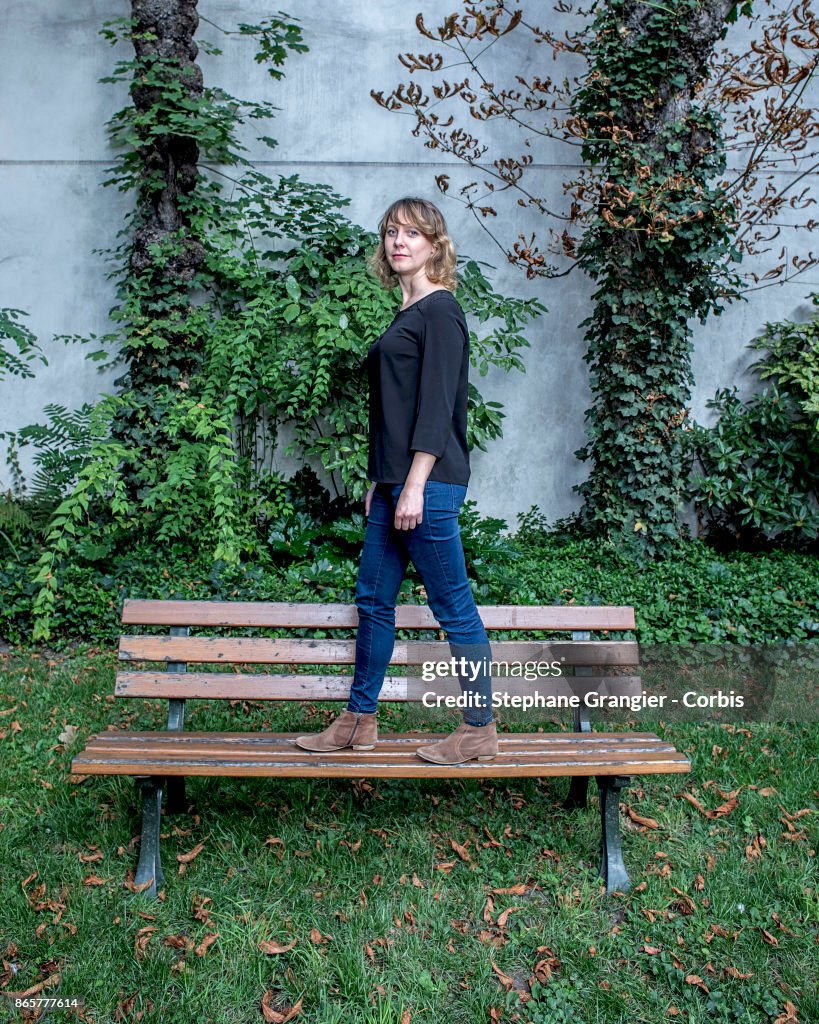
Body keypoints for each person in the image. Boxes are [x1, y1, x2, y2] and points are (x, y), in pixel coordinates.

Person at [295, 197, 496, 765]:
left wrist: (412, 483)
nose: (398, 241)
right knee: (374, 601)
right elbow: (392, 410)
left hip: (425, 486)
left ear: (435, 244)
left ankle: (479, 728)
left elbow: (434, 410)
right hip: (393, 484)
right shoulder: (406, 315)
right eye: (390, 232)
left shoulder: (440, 312)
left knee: (453, 605)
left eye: (412, 232)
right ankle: (359, 720)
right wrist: (379, 479)